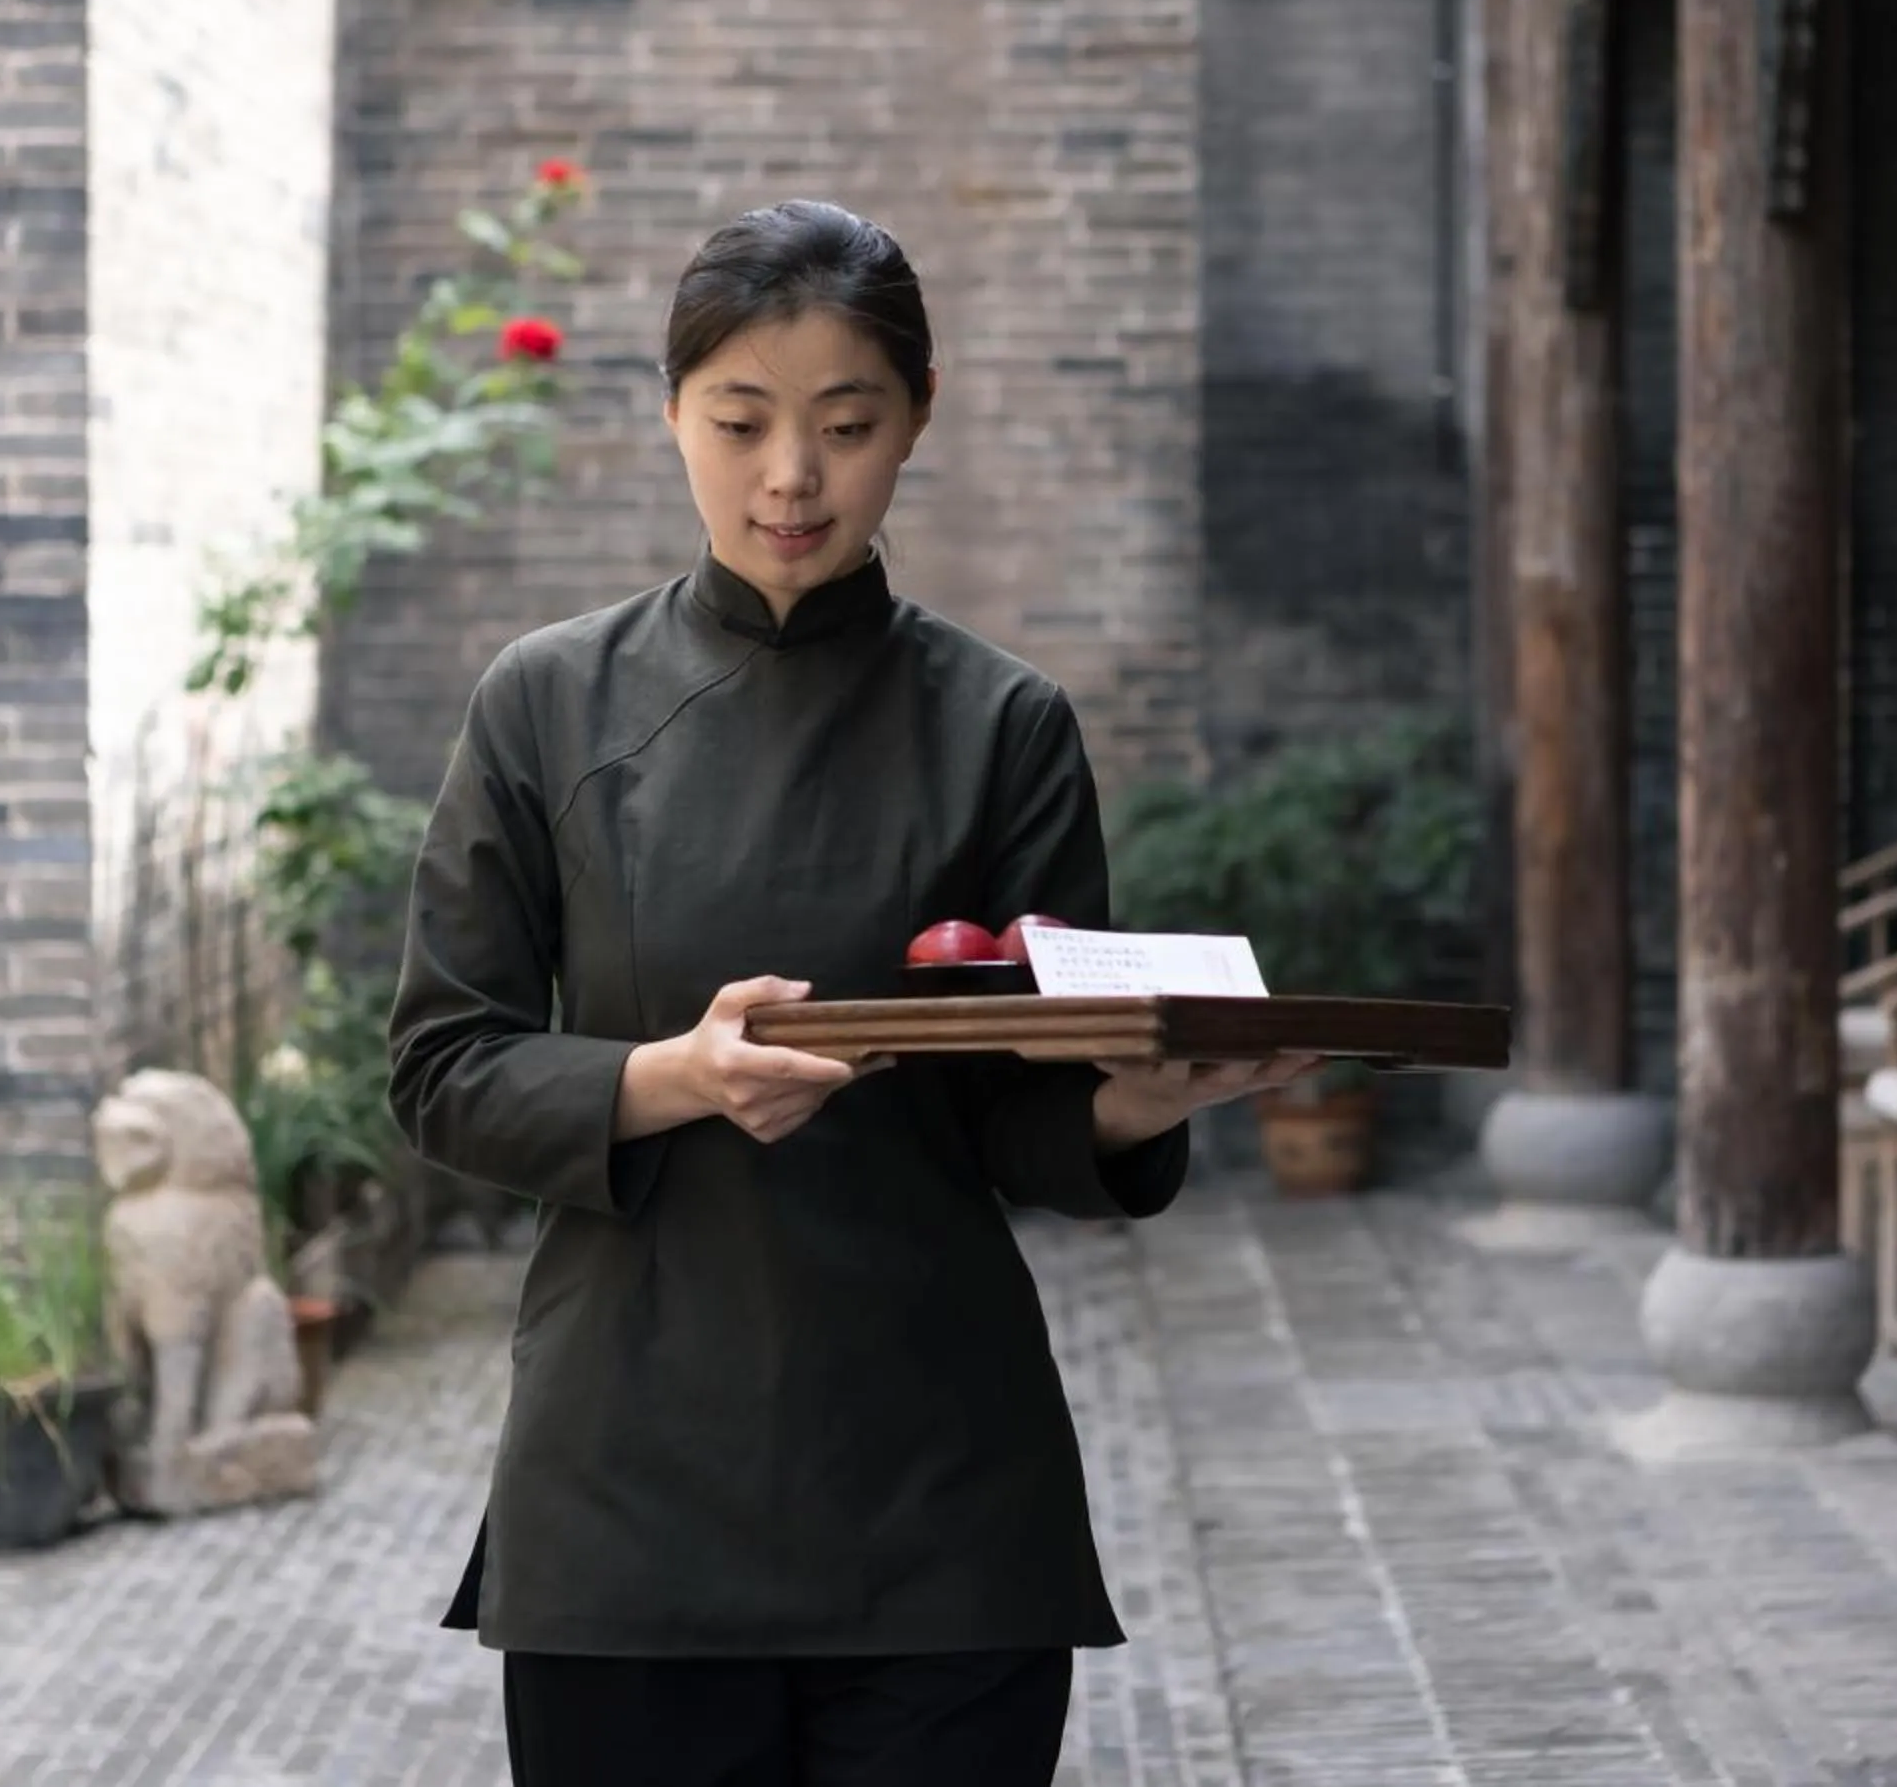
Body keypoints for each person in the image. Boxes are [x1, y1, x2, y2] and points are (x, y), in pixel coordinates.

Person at [387, 199, 1307, 1787]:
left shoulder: (1002, 720)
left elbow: (1016, 1107)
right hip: (628, 1483)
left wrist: (1126, 1100)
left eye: (846, 424)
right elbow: (442, 1063)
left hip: (938, 1487)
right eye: (741, 421)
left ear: (919, 418)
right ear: (672, 410)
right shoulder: (547, 700)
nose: (790, 476)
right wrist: (675, 1074)